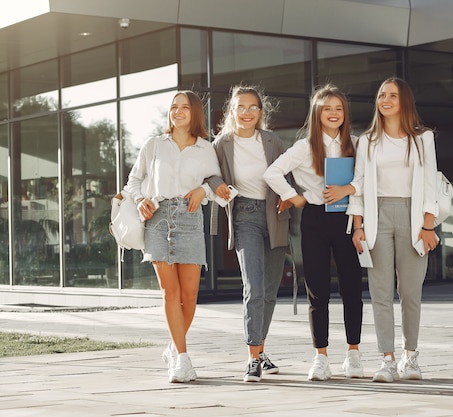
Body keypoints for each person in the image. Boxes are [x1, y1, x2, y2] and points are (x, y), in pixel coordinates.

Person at [264, 84, 364, 381]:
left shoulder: (357, 144)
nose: (333, 114)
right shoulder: (305, 147)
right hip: (316, 220)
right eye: (327, 109)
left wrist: (349, 188)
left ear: (345, 113)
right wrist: (298, 197)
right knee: (317, 291)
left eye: (338, 108)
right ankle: (320, 357)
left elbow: (369, 178)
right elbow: (272, 173)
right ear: (317, 114)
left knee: (352, 290)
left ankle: (354, 354)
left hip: (347, 219)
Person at [125, 90, 222, 383]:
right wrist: (141, 199)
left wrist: (202, 191)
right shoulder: (154, 145)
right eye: (173, 107)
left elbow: (216, 184)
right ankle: (182, 358)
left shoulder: (206, 149)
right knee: (171, 293)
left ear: (194, 113)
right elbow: (133, 181)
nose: (177, 112)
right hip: (158, 219)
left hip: (190, 219)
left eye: (183, 107)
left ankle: (173, 347)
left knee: (190, 295)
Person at [348, 77, 440, 383]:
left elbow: (430, 184)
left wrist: (428, 225)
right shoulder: (367, 141)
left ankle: (410, 357)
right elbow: (359, 186)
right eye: (381, 95)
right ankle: (386, 360)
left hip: (414, 217)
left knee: (411, 292)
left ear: (405, 102)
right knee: (381, 292)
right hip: (377, 217)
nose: (385, 100)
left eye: (392, 95)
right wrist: (357, 225)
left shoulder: (423, 138)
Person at [205, 85, 292, 383]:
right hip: (244, 216)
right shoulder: (222, 144)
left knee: (268, 291)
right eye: (240, 107)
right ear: (232, 111)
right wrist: (217, 183)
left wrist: (288, 194)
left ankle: (261, 350)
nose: (246, 113)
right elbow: (209, 171)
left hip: (276, 216)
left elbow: (287, 174)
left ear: (261, 111)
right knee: (253, 287)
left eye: (252, 107)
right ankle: (252, 359)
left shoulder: (272, 141)